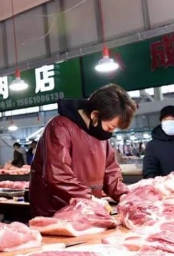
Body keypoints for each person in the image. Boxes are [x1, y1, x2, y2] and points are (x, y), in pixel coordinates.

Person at [29, 84, 136, 217]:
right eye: (110, 127)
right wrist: (90, 199)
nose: (110, 132)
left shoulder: (99, 133)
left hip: (87, 209)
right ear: (95, 115)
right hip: (56, 210)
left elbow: (111, 172)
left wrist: (126, 197)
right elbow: (57, 175)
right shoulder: (60, 127)